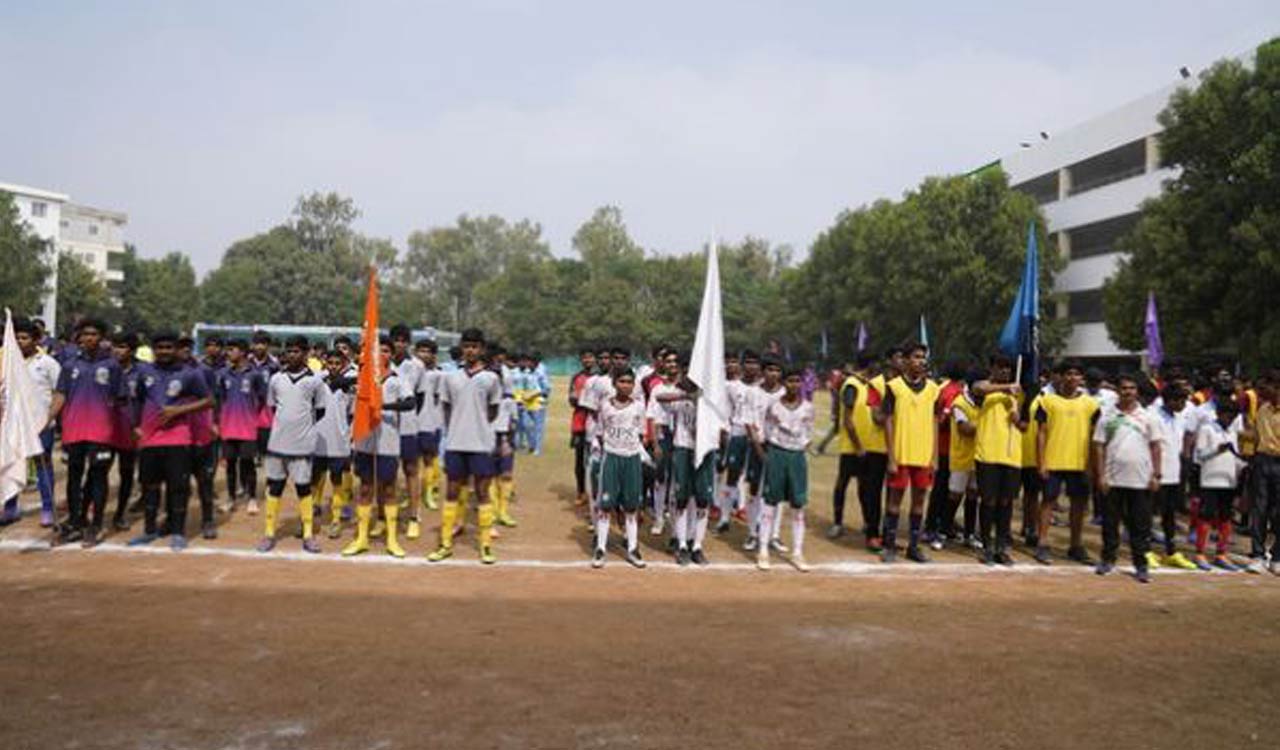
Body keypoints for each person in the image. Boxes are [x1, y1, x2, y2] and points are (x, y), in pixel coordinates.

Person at [127, 331, 213, 550]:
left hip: (178, 438)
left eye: (169, 347)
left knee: (178, 487)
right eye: (160, 347)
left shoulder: (190, 373)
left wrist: (178, 410)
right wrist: (136, 426)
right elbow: (136, 400)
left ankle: (178, 532)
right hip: (150, 439)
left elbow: (209, 401)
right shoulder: (143, 372)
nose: (164, 351)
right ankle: (148, 531)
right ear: (154, 349)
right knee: (150, 487)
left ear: (176, 349)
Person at [428, 328, 503, 564]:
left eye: (474, 346)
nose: (470, 350)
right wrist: (458, 428)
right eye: (466, 345)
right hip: (456, 443)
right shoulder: (451, 377)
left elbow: (493, 411)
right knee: (451, 491)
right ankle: (446, 544)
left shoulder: (491, 378)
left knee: (482, 493)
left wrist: (476, 426)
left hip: (481, 443)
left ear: (481, 349)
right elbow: (447, 408)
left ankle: (485, 545)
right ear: (461, 348)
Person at [49, 318, 122, 544]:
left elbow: (118, 399)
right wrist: (46, 420)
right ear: (78, 337)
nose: (89, 338)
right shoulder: (69, 365)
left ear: (101, 338)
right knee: (73, 477)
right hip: (73, 430)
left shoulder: (112, 366)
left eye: (94, 334)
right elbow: (60, 395)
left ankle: (96, 524)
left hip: (101, 431)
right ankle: (75, 523)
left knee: (99, 476)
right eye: (85, 334)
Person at [343, 338, 416, 558]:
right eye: (378, 351)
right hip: (365, 440)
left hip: (388, 441)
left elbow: (410, 403)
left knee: (389, 489)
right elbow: (343, 388)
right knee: (365, 488)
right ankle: (362, 538)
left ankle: (392, 539)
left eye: (386, 350)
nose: (381, 354)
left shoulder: (397, 380)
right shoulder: (362, 378)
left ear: (391, 355)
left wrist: (383, 405)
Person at [256, 336, 326, 554]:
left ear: (305, 354)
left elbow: (320, 411)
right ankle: (269, 533)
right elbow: (273, 407)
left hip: (302, 446)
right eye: (289, 351)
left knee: (303, 489)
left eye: (296, 351)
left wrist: (301, 430)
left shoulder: (314, 381)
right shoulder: (276, 379)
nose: (291, 355)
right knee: (274, 487)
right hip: (277, 444)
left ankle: (307, 535)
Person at [1092, 373, 1162, 583]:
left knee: (1140, 526)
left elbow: (1156, 447)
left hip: (1140, 481)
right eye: (1124, 388)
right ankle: (1107, 559)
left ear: (1137, 392)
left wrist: (1156, 475)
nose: (1128, 392)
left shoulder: (1149, 417)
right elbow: (1099, 447)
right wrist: (1101, 475)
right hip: (1113, 480)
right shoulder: (1108, 416)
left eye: (1132, 388)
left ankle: (1141, 565)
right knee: (1110, 524)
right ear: (1118, 391)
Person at [878, 343, 940, 563]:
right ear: (905, 360)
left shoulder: (933, 389)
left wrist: (934, 456)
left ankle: (914, 547)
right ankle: (890, 545)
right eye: (916, 357)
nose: (921, 361)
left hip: (923, 455)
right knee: (895, 501)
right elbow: (888, 421)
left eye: (923, 357)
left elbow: (935, 421)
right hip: (902, 454)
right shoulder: (894, 387)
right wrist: (891, 456)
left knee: (919, 501)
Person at [653, 355, 717, 566]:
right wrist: (686, 395)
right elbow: (660, 398)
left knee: (702, 500)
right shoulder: (679, 395)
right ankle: (681, 544)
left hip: (705, 450)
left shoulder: (710, 397)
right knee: (681, 498)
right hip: (683, 448)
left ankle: (696, 545)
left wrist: (702, 397)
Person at [1035, 360, 1099, 565]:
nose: (1073, 378)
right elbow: (1041, 434)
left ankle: (1076, 545)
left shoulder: (1091, 405)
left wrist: (1092, 465)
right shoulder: (1047, 401)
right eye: (1068, 374)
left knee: (1078, 505)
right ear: (1061, 376)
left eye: (1077, 374)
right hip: (1053, 461)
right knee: (1048, 502)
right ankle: (1043, 543)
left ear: (1082, 379)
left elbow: (1094, 436)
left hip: (1079, 463)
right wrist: (1042, 462)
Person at [1, 318, 61, 527]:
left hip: (40, 423)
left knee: (42, 464)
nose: (19, 341)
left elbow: (59, 393)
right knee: (11, 462)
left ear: (36, 339)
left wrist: (50, 419)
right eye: (16, 337)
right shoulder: (7, 363)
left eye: (24, 337)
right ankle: (10, 507)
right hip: (13, 424)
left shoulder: (47, 364)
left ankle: (47, 508)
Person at [757, 367, 815, 571]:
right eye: (790, 381)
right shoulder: (773, 406)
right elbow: (765, 430)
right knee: (770, 503)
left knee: (798, 506)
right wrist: (770, 454)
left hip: (797, 456)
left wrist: (799, 449)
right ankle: (763, 549)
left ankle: (797, 552)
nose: (794, 385)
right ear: (784, 383)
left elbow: (808, 434)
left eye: (798, 381)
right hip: (777, 454)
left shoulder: (808, 407)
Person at [591, 369, 648, 568]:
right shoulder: (605, 406)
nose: (626, 385)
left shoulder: (639, 407)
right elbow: (600, 432)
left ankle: (632, 548)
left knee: (631, 506)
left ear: (634, 385)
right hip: (611, 458)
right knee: (605, 505)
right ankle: (600, 548)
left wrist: (631, 448)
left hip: (631, 459)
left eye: (629, 382)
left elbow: (641, 433)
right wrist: (611, 448)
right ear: (615, 384)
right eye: (622, 381)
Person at [1192, 398, 1245, 571]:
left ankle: (1221, 553)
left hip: (1228, 480)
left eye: (1232, 416)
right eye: (1226, 415)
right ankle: (1200, 552)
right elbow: (1199, 456)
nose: (1228, 419)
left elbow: (1235, 457)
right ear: (1218, 414)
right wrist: (1217, 450)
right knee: (1206, 516)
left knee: (1225, 517)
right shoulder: (1207, 429)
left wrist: (1244, 467)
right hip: (1210, 480)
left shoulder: (1232, 432)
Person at [217, 339, 268, 512]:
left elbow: (262, 399)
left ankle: (252, 498)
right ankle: (231, 498)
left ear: (243, 352)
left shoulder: (254, 375)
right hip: (228, 428)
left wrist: (251, 417)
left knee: (248, 464)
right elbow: (220, 399)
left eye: (232, 349)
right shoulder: (223, 374)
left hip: (247, 429)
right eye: (228, 349)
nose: (228, 352)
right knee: (230, 465)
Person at [1150, 384, 1198, 569]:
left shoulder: (1179, 418)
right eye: (1180, 401)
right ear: (1169, 400)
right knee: (1148, 512)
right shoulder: (1154, 417)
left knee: (1170, 514)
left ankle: (1171, 551)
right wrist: (1154, 471)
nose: (1183, 405)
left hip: (1174, 472)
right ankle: (1145, 550)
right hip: (1157, 473)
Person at [179, 336, 220, 538]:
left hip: (201, 434)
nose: (185, 350)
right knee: (177, 482)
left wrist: (214, 423)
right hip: (177, 436)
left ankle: (208, 520)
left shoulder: (205, 371)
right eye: (181, 347)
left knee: (205, 481)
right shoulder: (168, 372)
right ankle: (174, 520)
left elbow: (214, 400)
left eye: (188, 346)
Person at [744, 355, 786, 553]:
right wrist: (759, 450)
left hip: (779, 447)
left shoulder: (785, 393)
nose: (773, 374)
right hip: (758, 446)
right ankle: (753, 533)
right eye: (770, 369)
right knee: (754, 489)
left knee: (776, 492)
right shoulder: (753, 393)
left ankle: (774, 535)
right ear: (763, 371)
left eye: (777, 370)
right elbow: (749, 423)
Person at [390, 324, 427, 540]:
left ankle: (414, 516)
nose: (400, 344)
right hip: (386, 424)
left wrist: (409, 417)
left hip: (408, 425)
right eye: (397, 340)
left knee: (411, 469)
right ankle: (385, 518)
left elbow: (419, 398)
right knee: (387, 473)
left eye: (404, 340)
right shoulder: (381, 362)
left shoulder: (417, 365)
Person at [925, 361, 967, 547]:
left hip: (948, 447)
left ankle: (942, 523)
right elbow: (943, 420)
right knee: (944, 488)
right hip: (948, 447)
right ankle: (933, 526)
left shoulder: (945, 388)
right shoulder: (954, 392)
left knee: (947, 488)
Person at [314, 349, 354, 540]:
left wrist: (351, 434)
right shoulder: (316, 381)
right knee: (315, 480)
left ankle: (336, 520)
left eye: (338, 363)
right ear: (325, 363)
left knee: (337, 481)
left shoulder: (349, 385)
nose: (333, 366)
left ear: (344, 364)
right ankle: (311, 519)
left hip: (339, 441)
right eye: (330, 363)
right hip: (318, 439)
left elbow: (353, 414)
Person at [850, 352, 888, 552]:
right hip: (877, 446)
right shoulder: (877, 384)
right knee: (873, 491)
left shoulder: (912, 386)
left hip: (902, 446)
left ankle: (888, 535)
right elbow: (878, 417)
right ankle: (873, 533)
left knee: (895, 494)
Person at [826, 354, 863, 540]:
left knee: (865, 487)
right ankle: (837, 522)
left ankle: (867, 523)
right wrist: (857, 445)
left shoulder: (870, 385)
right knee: (843, 483)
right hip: (852, 446)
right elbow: (847, 418)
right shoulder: (851, 385)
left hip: (867, 445)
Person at [108, 333, 141, 530]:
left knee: (127, 473)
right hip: (106, 430)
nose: (117, 351)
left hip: (130, 431)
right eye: (115, 346)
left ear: (132, 350)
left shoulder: (143, 372)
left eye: (122, 347)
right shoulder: (106, 369)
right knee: (98, 471)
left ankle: (120, 513)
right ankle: (93, 509)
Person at [1249, 370, 1280, 574]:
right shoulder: (1262, 410)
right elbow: (1257, 437)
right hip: (1262, 461)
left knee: (1279, 512)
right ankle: (1258, 555)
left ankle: (1277, 556)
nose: (1261, 391)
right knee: (1259, 509)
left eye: (1265, 387)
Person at [945, 370, 980, 550]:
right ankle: (944, 530)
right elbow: (964, 429)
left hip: (979, 456)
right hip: (961, 456)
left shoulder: (985, 402)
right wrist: (989, 425)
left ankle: (969, 534)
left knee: (973, 494)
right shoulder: (960, 403)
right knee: (955, 494)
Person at [716, 351, 749, 533]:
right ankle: (722, 511)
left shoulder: (745, 386)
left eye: (734, 361)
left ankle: (741, 506)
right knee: (724, 471)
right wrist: (723, 430)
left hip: (745, 434)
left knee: (743, 474)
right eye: (727, 362)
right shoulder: (721, 385)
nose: (730, 365)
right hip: (729, 432)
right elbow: (723, 411)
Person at [414, 338, 444, 514]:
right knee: (412, 461)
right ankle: (414, 494)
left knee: (429, 458)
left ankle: (429, 493)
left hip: (430, 422)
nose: (423, 355)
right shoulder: (410, 371)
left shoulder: (438, 375)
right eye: (420, 351)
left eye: (427, 351)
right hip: (412, 423)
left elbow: (439, 399)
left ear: (433, 355)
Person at [568, 347, 596, 507]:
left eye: (590, 357)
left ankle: (596, 493)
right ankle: (580, 491)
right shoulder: (577, 377)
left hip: (596, 424)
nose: (587, 360)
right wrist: (585, 401)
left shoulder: (600, 377)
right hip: (579, 423)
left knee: (596, 460)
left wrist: (583, 400)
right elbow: (571, 400)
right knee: (579, 461)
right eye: (584, 358)